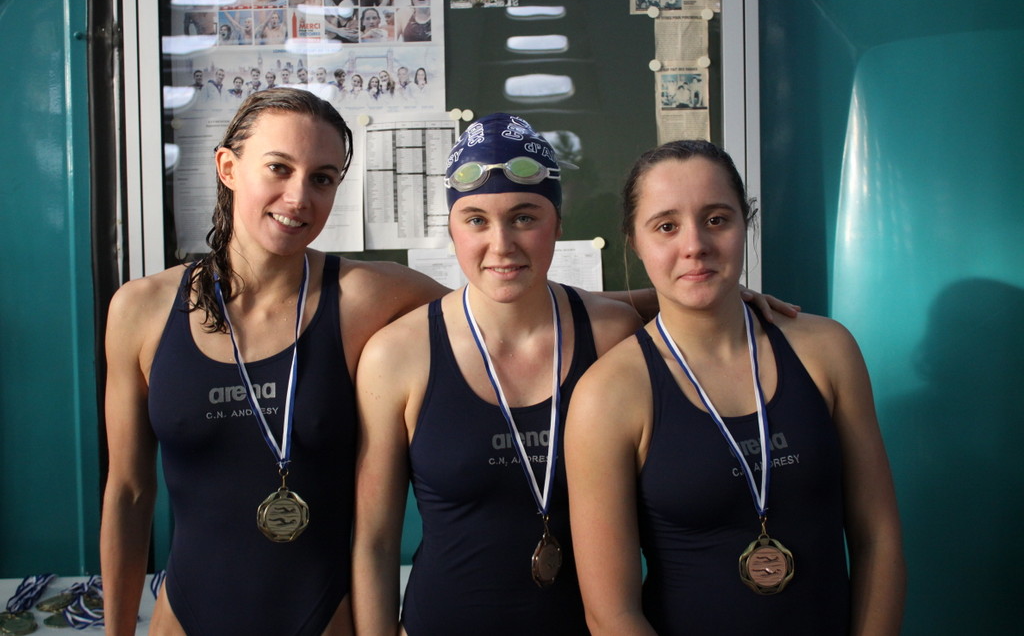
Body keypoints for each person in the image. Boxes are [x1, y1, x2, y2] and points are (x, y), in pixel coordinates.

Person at [350, 117, 798, 635]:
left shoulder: (610, 333)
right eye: (475, 220)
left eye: (525, 217)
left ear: (557, 223)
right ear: (451, 229)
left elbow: (679, 305)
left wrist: (728, 295)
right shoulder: (397, 356)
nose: (502, 244)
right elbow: (374, 541)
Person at [99, 88, 449, 636]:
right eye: (279, 168)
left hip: (323, 617)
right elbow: (128, 493)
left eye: (322, 179)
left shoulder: (367, 298)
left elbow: (500, 315)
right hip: (185, 618)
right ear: (228, 168)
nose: (299, 197)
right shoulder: (141, 310)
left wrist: (611, 309)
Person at [564, 140, 905, 635]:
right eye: (666, 226)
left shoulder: (826, 350)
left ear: (747, 223)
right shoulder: (608, 394)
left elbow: (879, 538)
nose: (695, 245)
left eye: (716, 219)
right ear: (634, 241)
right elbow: (611, 614)